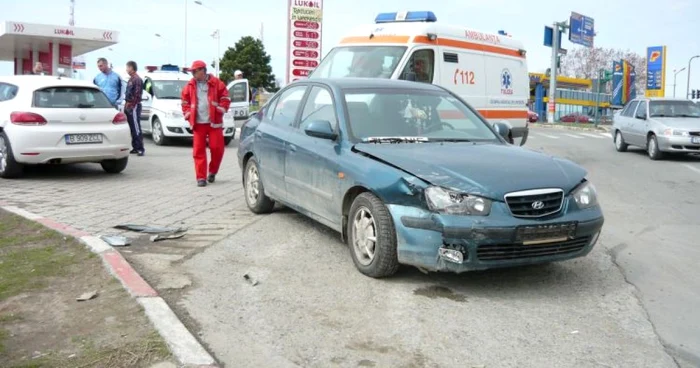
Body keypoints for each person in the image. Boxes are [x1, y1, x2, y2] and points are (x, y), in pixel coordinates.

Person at [181, 60, 231, 187]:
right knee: (198, 151)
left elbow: (225, 98)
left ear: (202, 70)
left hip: (214, 122)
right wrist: (187, 114)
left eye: (194, 71)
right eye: (192, 71)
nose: (192, 74)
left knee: (217, 149)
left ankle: (213, 171)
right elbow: (184, 101)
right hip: (198, 123)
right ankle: (201, 177)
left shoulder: (217, 83)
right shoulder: (190, 85)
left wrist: (220, 109)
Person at [124, 61, 145, 156]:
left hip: (134, 106)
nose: (126, 69)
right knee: (132, 127)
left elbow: (137, 94)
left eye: (127, 67)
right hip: (129, 105)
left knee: (136, 127)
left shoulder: (137, 79)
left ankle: (140, 148)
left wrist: (131, 105)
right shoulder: (131, 79)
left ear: (132, 67)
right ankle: (135, 147)